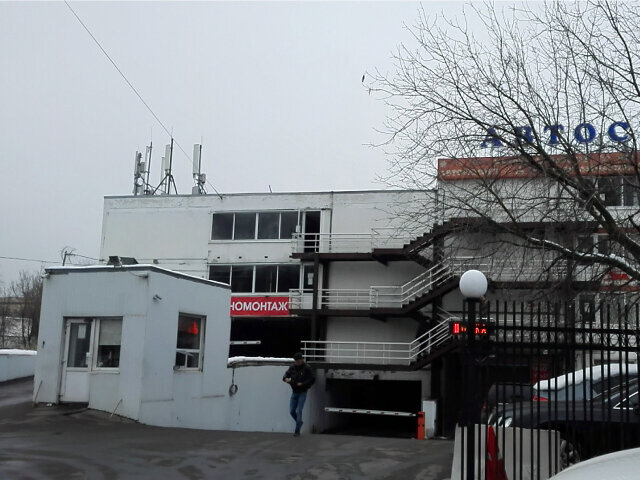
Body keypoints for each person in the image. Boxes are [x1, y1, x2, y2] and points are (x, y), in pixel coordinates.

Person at [282, 352, 315, 436]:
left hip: (302, 392)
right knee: (292, 411)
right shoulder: (292, 367)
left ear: (301, 360)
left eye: (298, 361)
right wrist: (285, 379)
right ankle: (299, 422)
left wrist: (303, 384)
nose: (297, 363)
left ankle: (297, 431)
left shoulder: (307, 368)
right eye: (296, 361)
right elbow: (285, 375)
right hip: (294, 391)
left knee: (299, 410)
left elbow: (312, 378)